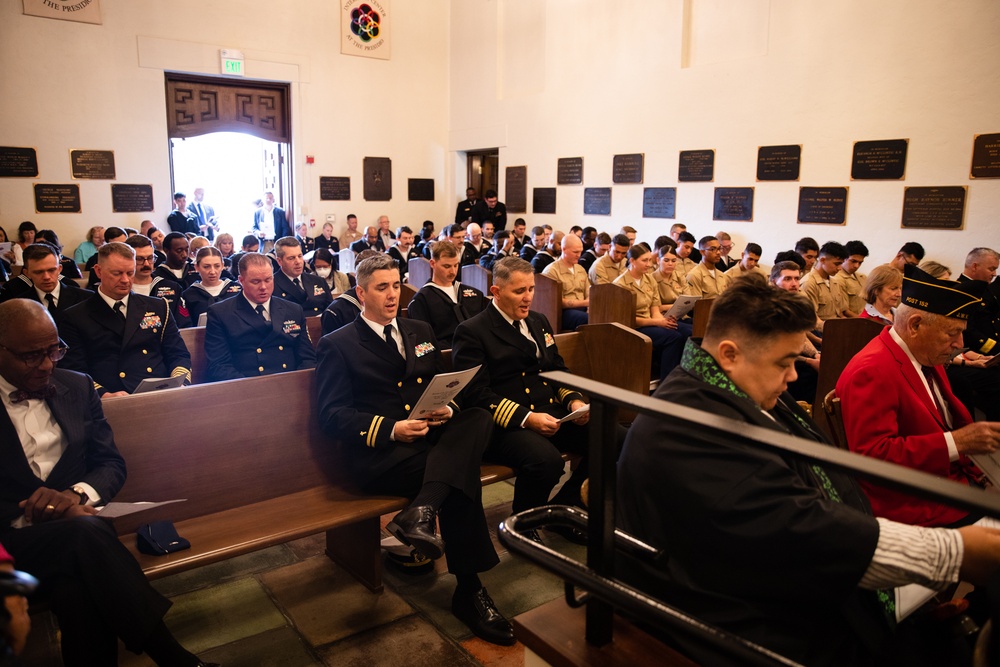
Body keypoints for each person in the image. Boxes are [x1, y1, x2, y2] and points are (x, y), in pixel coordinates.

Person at [617, 279, 1000, 666]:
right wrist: (953, 552)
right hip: (732, 613)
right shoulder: (690, 428)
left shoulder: (727, 386)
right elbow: (795, 525)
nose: (794, 376)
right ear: (730, 354)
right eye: (784, 363)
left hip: (770, 572)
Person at [0, 300, 212, 667]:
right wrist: (44, 513)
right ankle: (173, 657)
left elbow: (110, 464)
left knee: (77, 586)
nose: (49, 364)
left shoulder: (76, 385)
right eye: (32, 356)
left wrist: (73, 495)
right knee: (86, 534)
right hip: (11, 540)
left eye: (55, 350)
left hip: (76, 534)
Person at [316, 254, 513, 645]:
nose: (392, 295)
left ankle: (421, 512)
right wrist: (392, 429)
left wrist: (446, 407)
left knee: (476, 417)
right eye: (381, 288)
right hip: (380, 453)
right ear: (361, 293)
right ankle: (470, 590)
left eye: (395, 286)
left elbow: (438, 383)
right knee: (459, 476)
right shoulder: (338, 344)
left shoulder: (417, 328)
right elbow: (332, 416)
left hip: (429, 437)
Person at [837, 265, 1000, 527]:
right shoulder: (872, 370)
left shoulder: (924, 353)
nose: (959, 343)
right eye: (952, 333)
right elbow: (873, 457)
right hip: (917, 501)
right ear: (915, 325)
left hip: (949, 483)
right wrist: (957, 442)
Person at [451, 257, 593, 522]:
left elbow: (555, 369)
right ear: (496, 291)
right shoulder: (473, 331)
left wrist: (574, 402)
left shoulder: (538, 321)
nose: (528, 297)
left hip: (552, 412)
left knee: (614, 440)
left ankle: (565, 509)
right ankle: (524, 524)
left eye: (531, 289)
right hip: (507, 424)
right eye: (519, 291)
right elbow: (476, 393)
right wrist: (528, 419)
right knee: (546, 462)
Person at [60, 243, 191, 397]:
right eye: (117, 273)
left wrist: (179, 382)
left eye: (130, 273)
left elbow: (178, 353)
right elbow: (75, 370)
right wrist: (103, 394)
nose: (125, 280)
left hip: (161, 392)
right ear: (99, 271)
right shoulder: (75, 316)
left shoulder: (157, 306)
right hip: (111, 398)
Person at [205, 252, 316, 381]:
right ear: (241, 281)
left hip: (291, 384)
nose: (263, 287)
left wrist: (299, 384)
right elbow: (219, 366)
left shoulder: (293, 310)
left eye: (268, 280)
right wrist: (253, 391)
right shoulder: (221, 313)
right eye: (256, 281)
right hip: (247, 388)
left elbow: (308, 358)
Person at [614, 245, 691, 379]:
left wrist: (661, 321)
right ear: (632, 261)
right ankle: (667, 381)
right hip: (633, 326)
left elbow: (655, 307)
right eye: (644, 261)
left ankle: (682, 377)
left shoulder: (649, 279)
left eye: (650, 260)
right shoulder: (620, 284)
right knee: (673, 337)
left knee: (684, 332)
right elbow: (628, 318)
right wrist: (657, 322)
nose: (649, 264)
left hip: (650, 322)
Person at [407, 241, 488, 348]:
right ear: (432, 263)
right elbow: (421, 346)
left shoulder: (475, 294)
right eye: (447, 266)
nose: (453, 271)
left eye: (456, 265)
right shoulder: (421, 300)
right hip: (445, 356)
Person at [0, 244, 92, 329]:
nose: (46, 277)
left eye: (51, 270)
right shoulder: (19, 306)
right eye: (38, 272)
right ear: (27, 273)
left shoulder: (86, 298)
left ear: (59, 269)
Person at [124, 235, 190, 328]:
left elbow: (183, 325)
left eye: (150, 258)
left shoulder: (172, 288)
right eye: (139, 259)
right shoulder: (121, 289)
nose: (146, 264)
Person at [320, 249, 382, 335]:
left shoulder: (389, 303)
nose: (392, 293)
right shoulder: (336, 312)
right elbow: (331, 346)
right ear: (358, 276)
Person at [272, 236, 332, 316]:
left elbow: (331, 311)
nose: (298, 262)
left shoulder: (318, 281)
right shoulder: (272, 285)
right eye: (291, 258)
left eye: (300, 256)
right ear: (279, 261)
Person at [183, 246, 242, 325]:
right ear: (197, 267)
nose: (212, 271)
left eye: (217, 266)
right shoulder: (189, 295)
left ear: (222, 265)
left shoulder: (237, 289)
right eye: (206, 267)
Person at [542, 234, 589, 331]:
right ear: (564, 249)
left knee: (603, 315)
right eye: (575, 252)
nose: (579, 255)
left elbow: (589, 292)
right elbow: (555, 301)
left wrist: (589, 306)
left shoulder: (580, 269)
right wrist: (585, 303)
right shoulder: (552, 271)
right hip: (562, 312)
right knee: (588, 319)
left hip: (583, 308)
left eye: (580, 252)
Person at [800, 240, 849, 321]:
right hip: (821, 330)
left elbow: (841, 312)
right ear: (822, 260)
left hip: (837, 326)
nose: (840, 268)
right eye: (837, 264)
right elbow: (811, 319)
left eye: (841, 264)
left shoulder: (835, 282)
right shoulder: (809, 283)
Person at [838, 239, 870, 317]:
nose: (857, 266)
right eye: (853, 261)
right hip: (852, 323)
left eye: (860, 262)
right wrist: (864, 321)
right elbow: (844, 311)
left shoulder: (863, 277)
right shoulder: (837, 279)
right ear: (844, 258)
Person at [652, 241, 689, 307]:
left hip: (681, 314)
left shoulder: (680, 276)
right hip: (662, 315)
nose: (670, 264)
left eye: (673, 261)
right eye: (666, 260)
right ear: (658, 260)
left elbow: (688, 300)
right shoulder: (652, 278)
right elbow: (656, 307)